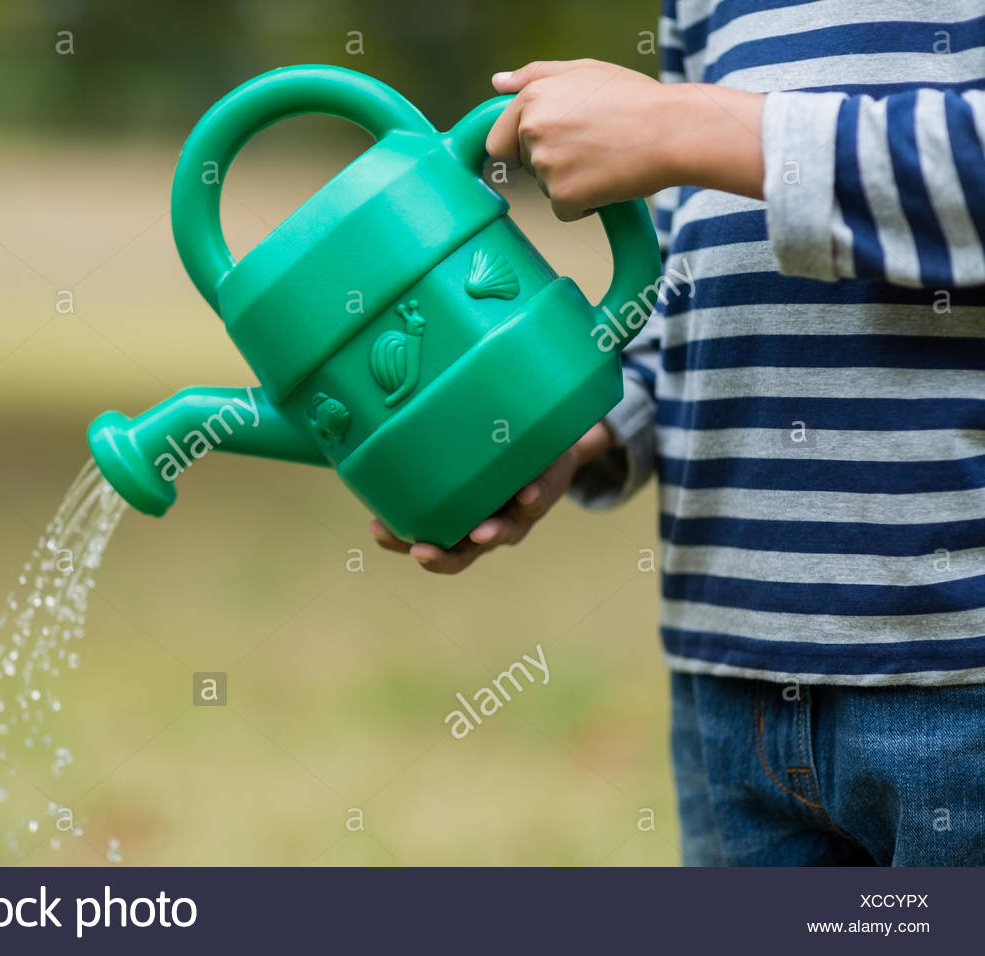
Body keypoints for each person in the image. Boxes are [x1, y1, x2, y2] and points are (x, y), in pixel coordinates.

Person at [372, 1, 985, 865]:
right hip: (730, 673)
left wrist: (692, 126)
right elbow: (686, 270)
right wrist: (575, 429)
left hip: (959, 681)